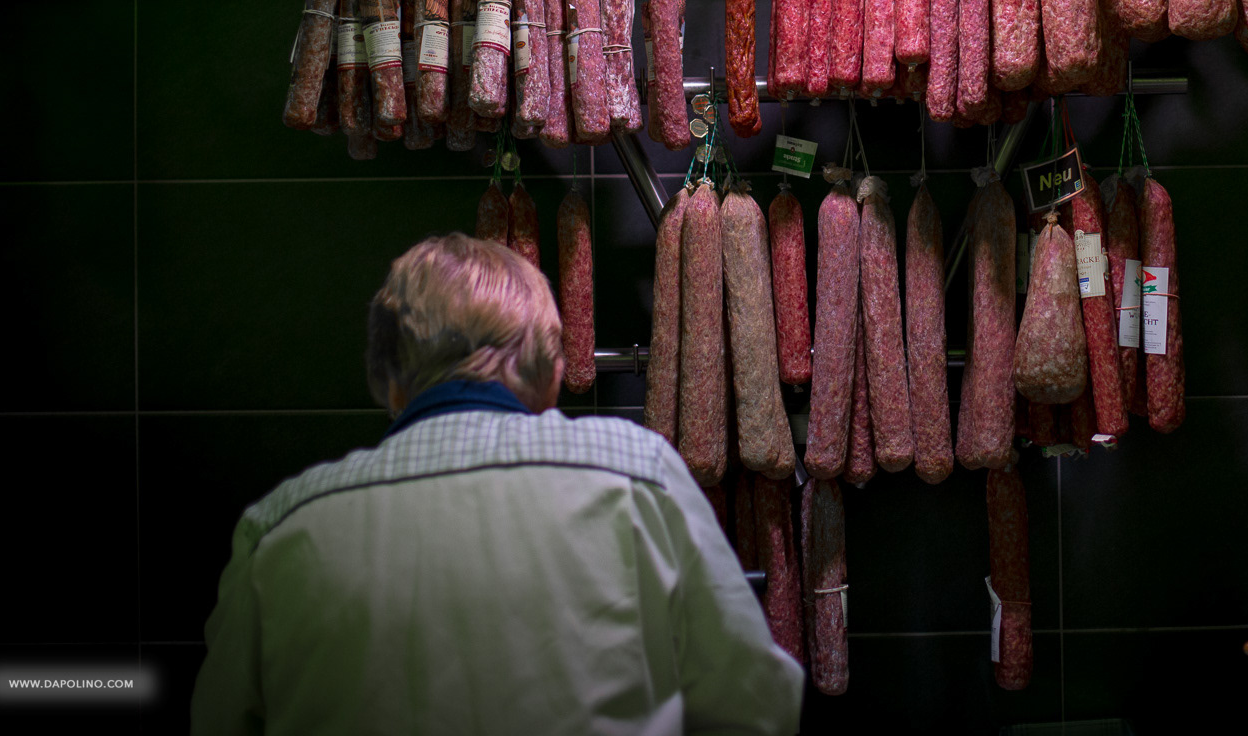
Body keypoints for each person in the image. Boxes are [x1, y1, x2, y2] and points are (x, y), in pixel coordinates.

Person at [191, 233, 803, 735]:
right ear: (550, 371)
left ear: (390, 380)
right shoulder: (638, 476)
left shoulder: (280, 529)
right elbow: (753, 706)